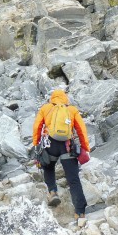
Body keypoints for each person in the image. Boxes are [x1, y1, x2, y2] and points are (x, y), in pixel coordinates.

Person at [32, 88, 90, 221]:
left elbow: (37, 127)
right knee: (73, 179)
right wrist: (85, 147)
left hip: (50, 144)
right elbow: (81, 129)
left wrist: (36, 144)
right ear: (65, 99)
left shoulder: (46, 108)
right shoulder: (72, 110)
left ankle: (52, 192)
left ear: (52, 98)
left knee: (48, 166)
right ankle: (80, 213)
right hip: (67, 146)